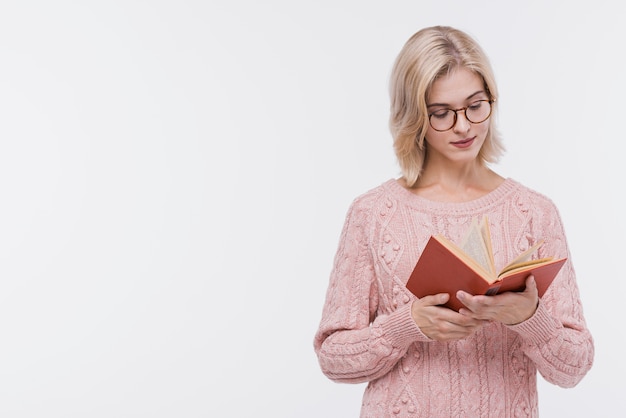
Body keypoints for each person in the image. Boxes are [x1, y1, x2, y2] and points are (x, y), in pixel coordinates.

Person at [313, 26, 594, 417]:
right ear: (413, 117)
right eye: (441, 114)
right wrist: (406, 326)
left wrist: (530, 319)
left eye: (476, 105)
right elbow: (332, 358)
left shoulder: (535, 212)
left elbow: (574, 367)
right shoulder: (373, 213)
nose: (463, 126)